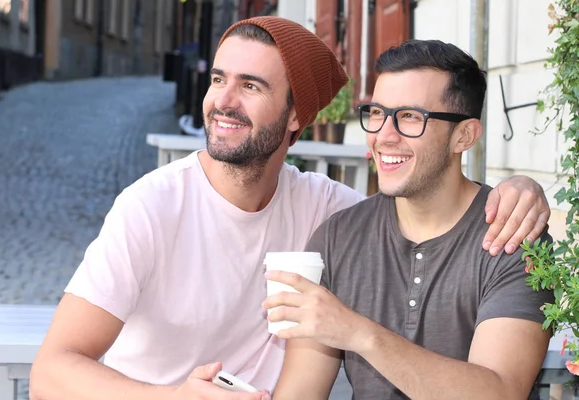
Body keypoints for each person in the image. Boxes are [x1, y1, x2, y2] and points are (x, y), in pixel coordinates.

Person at [30, 18, 550, 400]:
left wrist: (520, 189)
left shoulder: (326, 212)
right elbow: (50, 373)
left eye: (250, 86)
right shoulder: (152, 207)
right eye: (217, 79)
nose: (222, 101)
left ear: (296, 112)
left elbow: (421, 211)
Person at [266, 39, 554, 400]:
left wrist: (360, 334)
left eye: (410, 117)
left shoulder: (513, 237)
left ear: (463, 136)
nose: (384, 136)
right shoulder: (338, 237)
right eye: (376, 113)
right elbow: (300, 393)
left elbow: (500, 392)